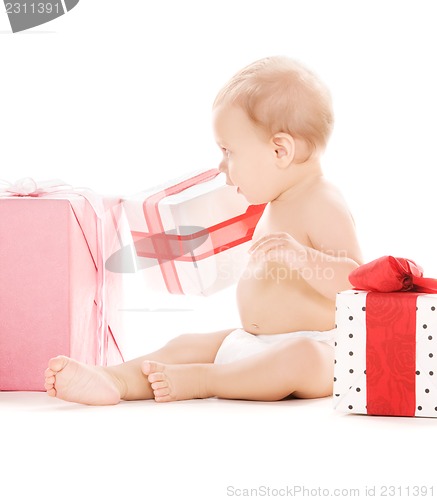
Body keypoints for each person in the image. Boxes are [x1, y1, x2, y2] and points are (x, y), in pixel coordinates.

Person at [44, 56, 363, 405]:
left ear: (280, 150)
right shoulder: (273, 202)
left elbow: (357, 283)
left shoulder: (321, 201)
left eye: (229, 151)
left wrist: (301, 256)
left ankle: (205, 380)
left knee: (303, 358)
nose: (221, 165)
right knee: (187, 344)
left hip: (321, 347)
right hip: (253, 344)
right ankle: (114, 379)